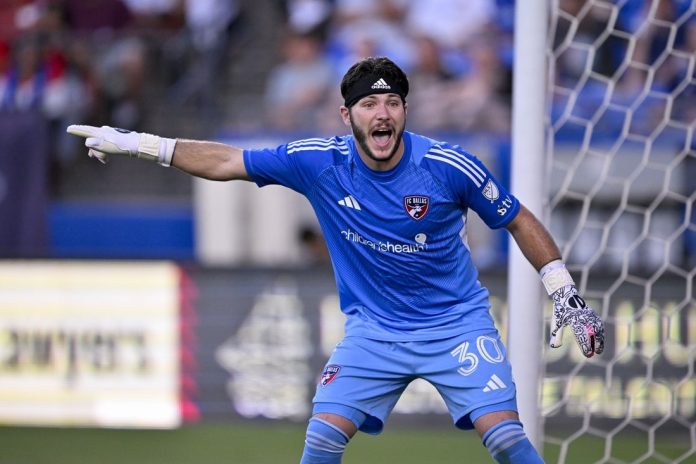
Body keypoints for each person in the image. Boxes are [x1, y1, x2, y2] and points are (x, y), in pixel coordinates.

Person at [67, 56, 605, 464]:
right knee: (321, 441)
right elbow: (228, 160)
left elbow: (517, 217)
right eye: (369, 104)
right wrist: (141, 144)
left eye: (392, 102)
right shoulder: (318, 162)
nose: (382, 113)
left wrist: (564, 292)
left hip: (455, 325)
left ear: (405, 112)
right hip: (374, 332)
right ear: (347, 115)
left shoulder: (447, 165)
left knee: (506, 438)